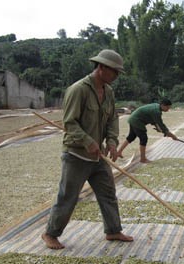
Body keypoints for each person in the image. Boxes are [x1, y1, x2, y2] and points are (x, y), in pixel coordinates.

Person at [41, 49, 133, 250]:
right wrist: (88, 141)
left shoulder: (108, 92)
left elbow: (112, 119)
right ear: (101, 68)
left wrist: (111, 142)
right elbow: (70, 123)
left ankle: (113, 230)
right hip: (76, 154)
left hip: (97, 155)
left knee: (108, 192)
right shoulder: (78, 90)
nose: (116, 77)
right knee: (68, 196)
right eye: (114, 72)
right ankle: (50, 233)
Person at [117, 99, 178, 163]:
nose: (168, 109)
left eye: (169, 107)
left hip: (133, 118)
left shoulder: (157, 106)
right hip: (137, 121)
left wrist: (158, 128)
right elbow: (162, 125)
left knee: (131, 137)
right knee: (144, 138)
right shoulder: (157, 111)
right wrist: (172, 136)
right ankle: (143, 159)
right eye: (167, 107)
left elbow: (154, 121)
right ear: (162, 105)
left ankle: (119, 152)